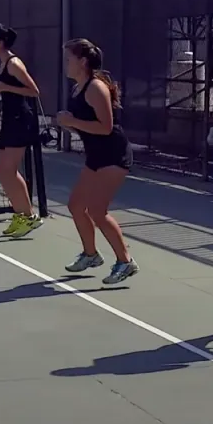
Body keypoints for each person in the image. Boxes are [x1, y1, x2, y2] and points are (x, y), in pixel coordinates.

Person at [56, 38, 139, 285]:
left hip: (114, 154)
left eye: (69, 59)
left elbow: (105, 127)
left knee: (97, 211)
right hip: (96, 155)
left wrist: (72, 122)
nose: (66, 64)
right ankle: (91, 255)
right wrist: (65, 123)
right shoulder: (77, 88)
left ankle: (125, 262)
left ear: (82, 61)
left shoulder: (95, 88)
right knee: (75, 205)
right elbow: (85, 126)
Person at [0, 22, 43, 238]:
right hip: (9, 120)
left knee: (10, 170)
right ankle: (20, 214)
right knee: (2, 171)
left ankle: (28, 215)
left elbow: (33, 91)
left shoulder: (14, 63)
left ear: (0, 43)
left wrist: (5, 87)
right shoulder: (1, 65)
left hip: (20, 120)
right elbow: (9, 91)